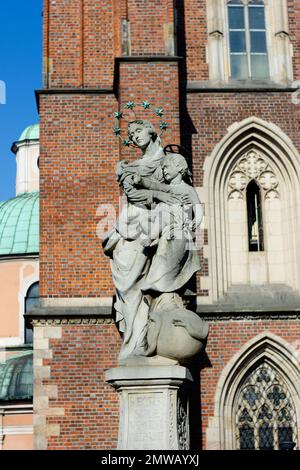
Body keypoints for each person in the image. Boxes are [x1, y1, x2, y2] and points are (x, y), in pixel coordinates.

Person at [102, 120, 202, 361]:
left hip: (160, 226)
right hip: (133, 225)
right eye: (130, 134)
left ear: (151, 131)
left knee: (148, 284)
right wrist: (160, 195)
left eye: (138, 131)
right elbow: (134, 194)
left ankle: (146, 338)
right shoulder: (128, 167)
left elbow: (185, 197)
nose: (135, 136)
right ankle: (134, 340)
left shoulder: (168, 162)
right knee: (127, 285)